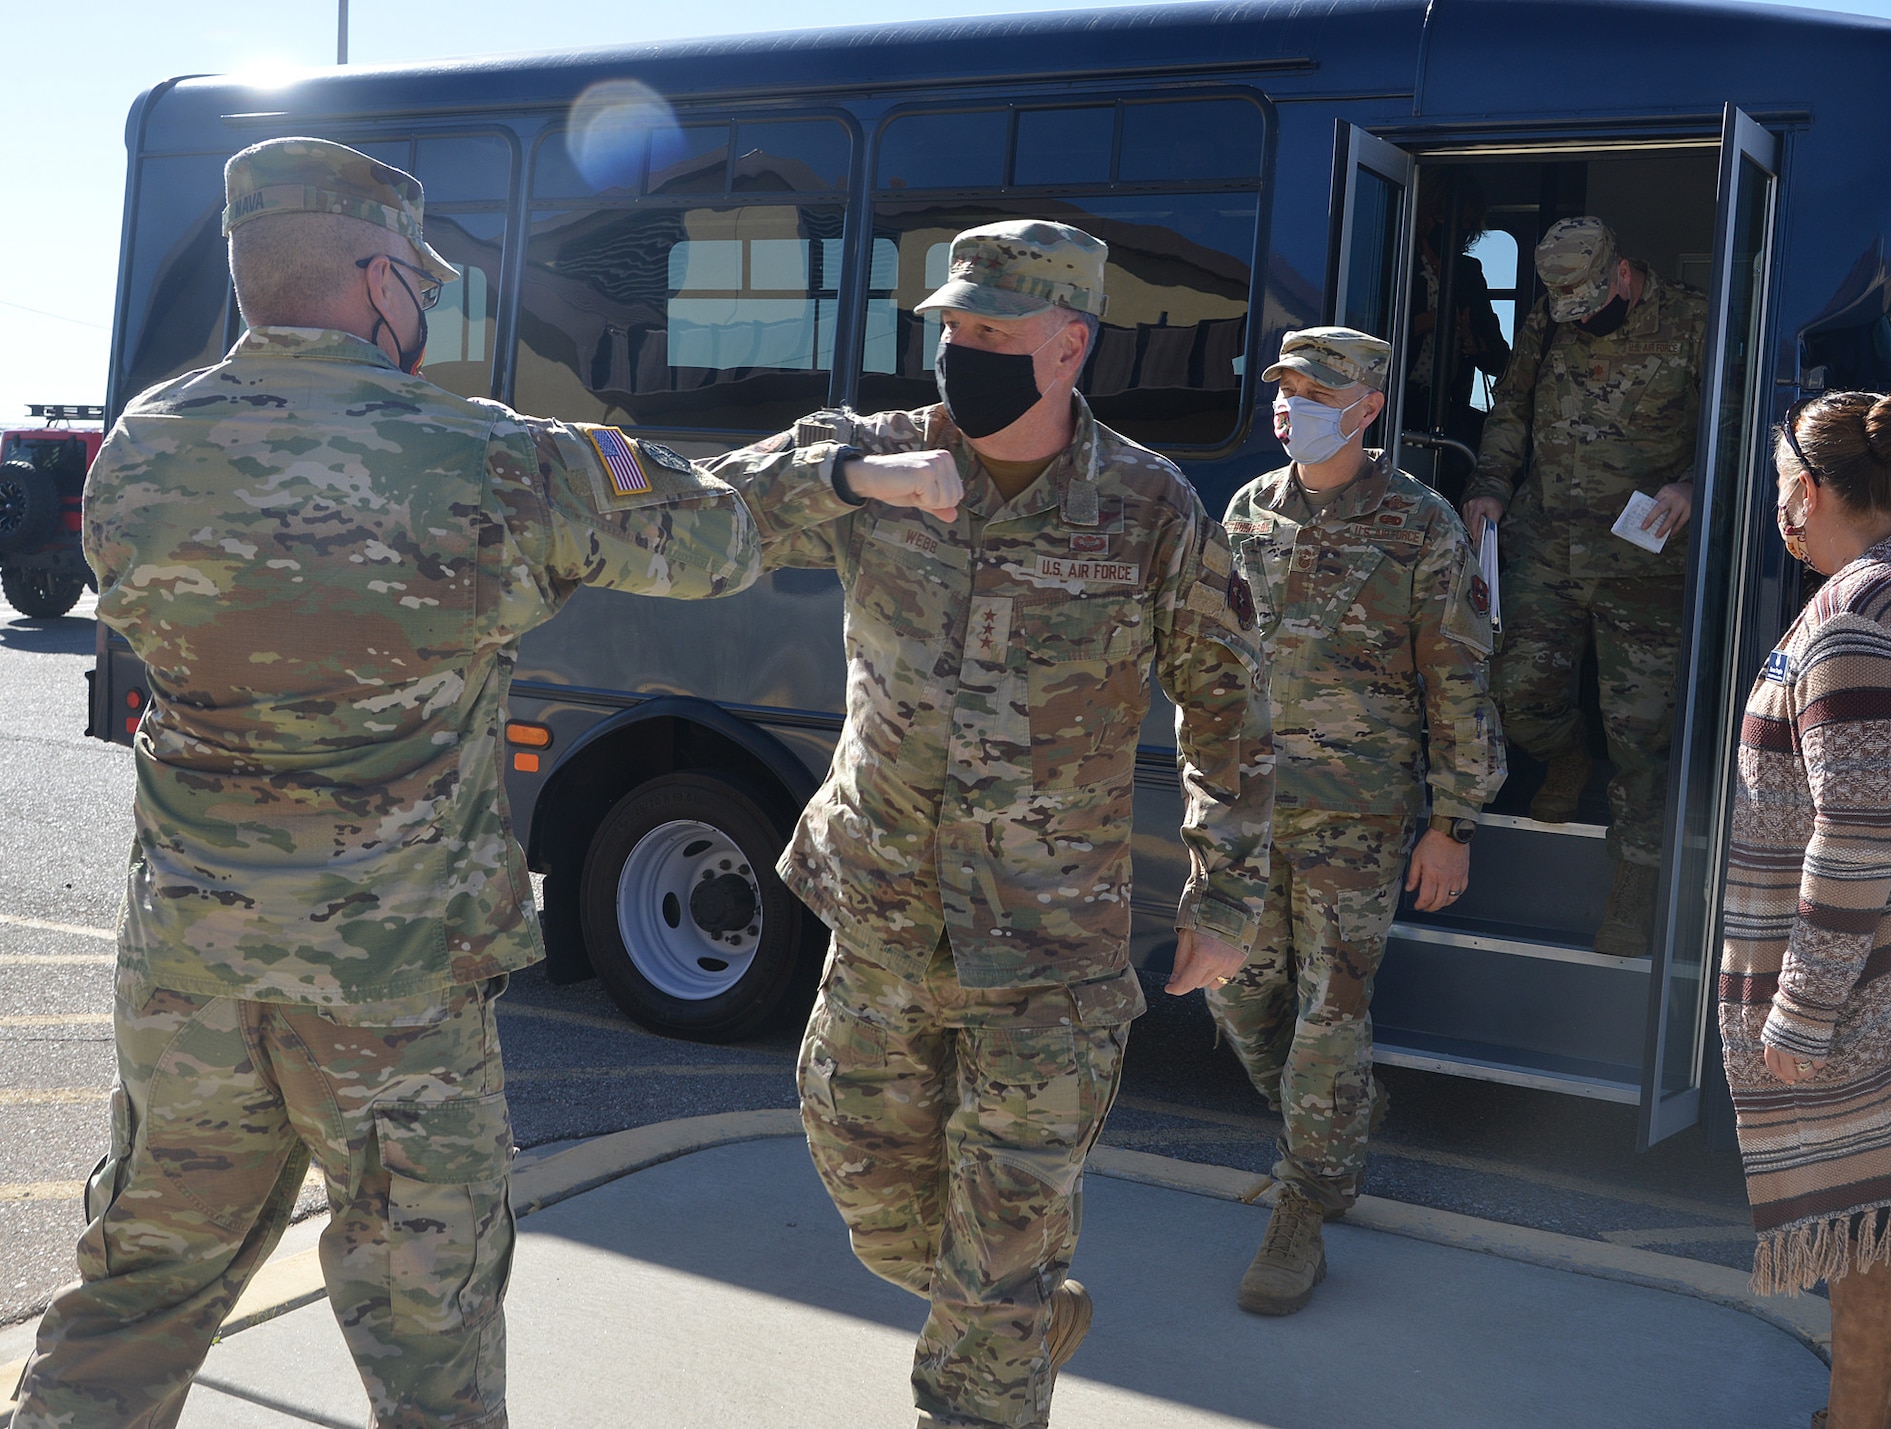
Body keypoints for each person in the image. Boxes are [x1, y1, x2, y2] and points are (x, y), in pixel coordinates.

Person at [6, 137, 938, 1429]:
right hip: (390, 999)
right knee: (428, 1333)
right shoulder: (481, 459)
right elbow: (713, 536)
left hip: (189, 974)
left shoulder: (138, 455)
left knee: (134, 1296)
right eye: (420, 280)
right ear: (376, 273)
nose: (429, 304)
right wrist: (839, 467)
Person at [704, 220, 1272, 1429]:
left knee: (999, 1248)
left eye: (994, 334)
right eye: (951, 329)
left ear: (1069, 345)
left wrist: (1223, 897)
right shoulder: (879, 458)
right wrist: (858, 479)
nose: (962, 353)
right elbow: (704, 519)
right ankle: (1009, 1310)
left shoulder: (1147, 507)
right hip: (882, 916)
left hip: (1048, 949)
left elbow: (1225, 699)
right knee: (869, 1190)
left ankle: (992, 1347)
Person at [1210, 327, 1505, 1315]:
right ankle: (1331, 1129)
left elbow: (1456, 677)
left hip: (1359, 817)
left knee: (1328, 1016)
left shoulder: (1419, 524)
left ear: (1367, 406)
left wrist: (1451, 821)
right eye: (1283, 388)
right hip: (1251, 812)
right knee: (1239, 997)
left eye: (1313, 389)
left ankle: (1303, 1202)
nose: (1290, 406)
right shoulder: (1248, 508)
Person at [1720, 391, 1891, 1429]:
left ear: (1804, 494)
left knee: (1859, 1237)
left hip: (1871, 986)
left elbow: (1852, 837)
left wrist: (1796, 1012)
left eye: (1776, 485)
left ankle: (1852, 1422)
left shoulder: (1855, 622)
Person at [1459, 216, 1707, 958]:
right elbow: (1512, 405)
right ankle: (1565, 753)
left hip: (1646, 559)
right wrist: (1490, 487)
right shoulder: (1550, 315)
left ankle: (1634, 884)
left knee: (1644, 735)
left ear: (1623, 273)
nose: (1582, 319)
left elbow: (1733, 426)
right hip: (1549, 542)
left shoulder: (1693, 321)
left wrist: (1696, 486)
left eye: (1592, 303)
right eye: (1567, 307)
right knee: (1516, 689)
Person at [1402, 171, 1510, 502]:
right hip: (1396, 407)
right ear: (1426, 213)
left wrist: (1474, 343)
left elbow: (1499, 357)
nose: (1458, 230)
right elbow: (1376, 334)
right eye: (1446, 217)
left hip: (1446, 410)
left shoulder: (1468, 273)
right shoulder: (1395, 260)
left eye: (1467, 223)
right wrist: (1433, 321)